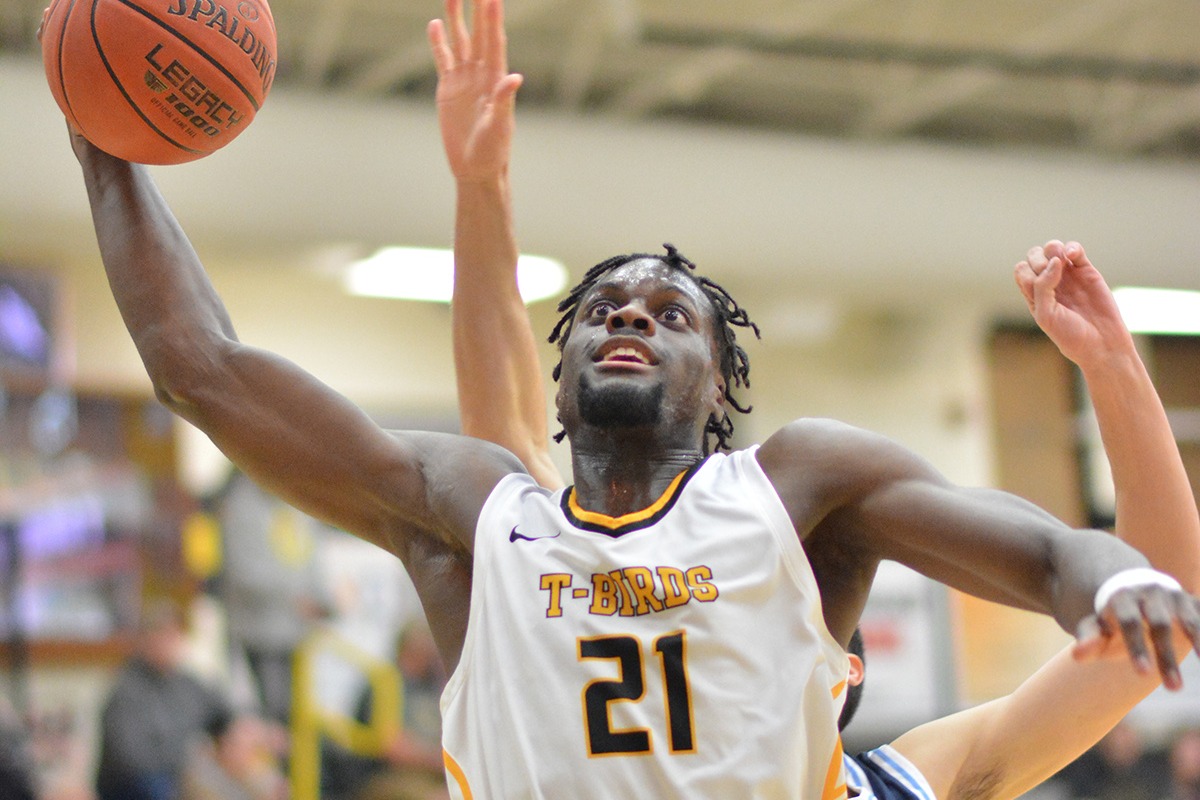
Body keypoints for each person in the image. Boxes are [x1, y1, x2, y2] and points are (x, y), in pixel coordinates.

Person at [56, 3, 1200, 797]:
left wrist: (1113, 392)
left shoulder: (799, 492)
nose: (630, 314)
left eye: (670, 312)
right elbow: (199, 365)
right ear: (565, 381)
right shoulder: (488, 518)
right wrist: (98, 127)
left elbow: (1086, 572)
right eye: (602, 306)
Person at [432, 3, 1200, 798]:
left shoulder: (902, 781)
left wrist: (1112, 363)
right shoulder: (573, 591)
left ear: (844, 665)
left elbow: (1159, 589)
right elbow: (510, 441)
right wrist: (479, 187)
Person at [94, 598, 284, 800]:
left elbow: (224, 713)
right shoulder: (126, 691)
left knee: (264, 780)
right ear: (146, 639)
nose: (170, 642)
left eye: (174, 634)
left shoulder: (188, 684)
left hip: (193, 771)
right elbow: (130, 760)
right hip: (148, 783)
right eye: (162, 635)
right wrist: (192, 755)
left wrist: (246, 732)